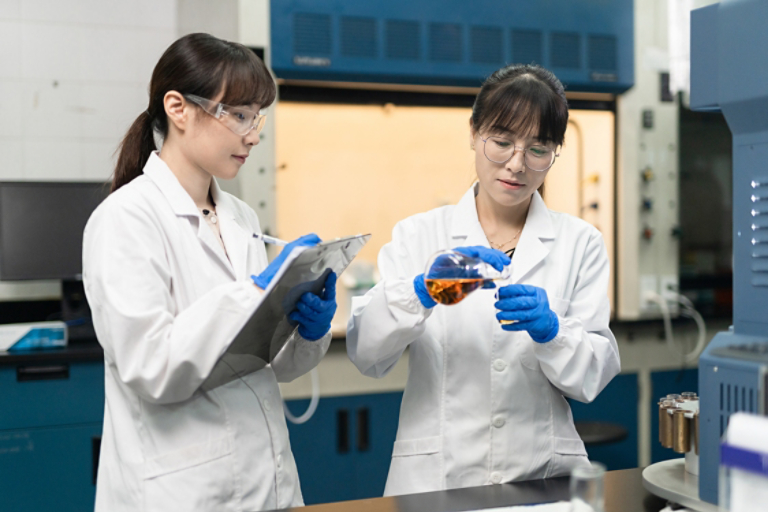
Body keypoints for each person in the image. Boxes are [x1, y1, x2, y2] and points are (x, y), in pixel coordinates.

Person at [82, 33, 337, 511]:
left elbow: (268, 364)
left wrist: (304, 329)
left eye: (257, 117)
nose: (253, 135)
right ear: (178, 108)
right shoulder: (126, 218)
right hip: (182, 490)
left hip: (268, 480)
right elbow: (150, 368)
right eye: (239, 115)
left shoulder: (241, 216)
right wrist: (252, 294)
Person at [346, 64, 620, 495]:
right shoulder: (419, 235)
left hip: (541, 474)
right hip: (438, 478)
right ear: (474, 133)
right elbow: (366, 353)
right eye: (502, 142)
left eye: (538, 149)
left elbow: (591, 377)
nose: (517, 164)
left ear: (555, 152)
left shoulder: (580, 242)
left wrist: (554, 333)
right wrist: (419, 294)